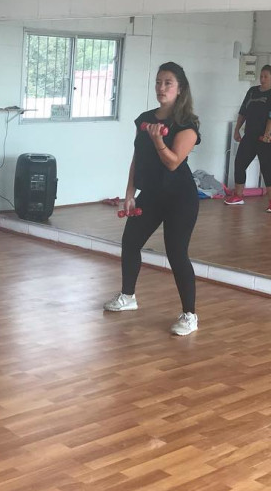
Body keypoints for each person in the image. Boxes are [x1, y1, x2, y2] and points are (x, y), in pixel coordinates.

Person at [104, 62, 202, 336]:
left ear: (179, 88)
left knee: (176, 253)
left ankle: (190, 315)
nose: (161, 87)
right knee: (130, 242)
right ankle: (128, 296)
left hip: (180, 197)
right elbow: (138, 157)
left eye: (168, 83)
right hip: (151, 194)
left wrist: (159, 140)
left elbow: (172, 163)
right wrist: (129, 193)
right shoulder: (144, 119)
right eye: (158, 82)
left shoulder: (188, 124)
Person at [225, 65, 271, 213]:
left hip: (267, 137)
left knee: (266, 168)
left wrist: (267, 134)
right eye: (261, 76)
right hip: (250, 135)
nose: (262, 79)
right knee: (239, 163)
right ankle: (238, 196)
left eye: (265, 77)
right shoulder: (252, 91)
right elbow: (243, 112)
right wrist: (237, 130)